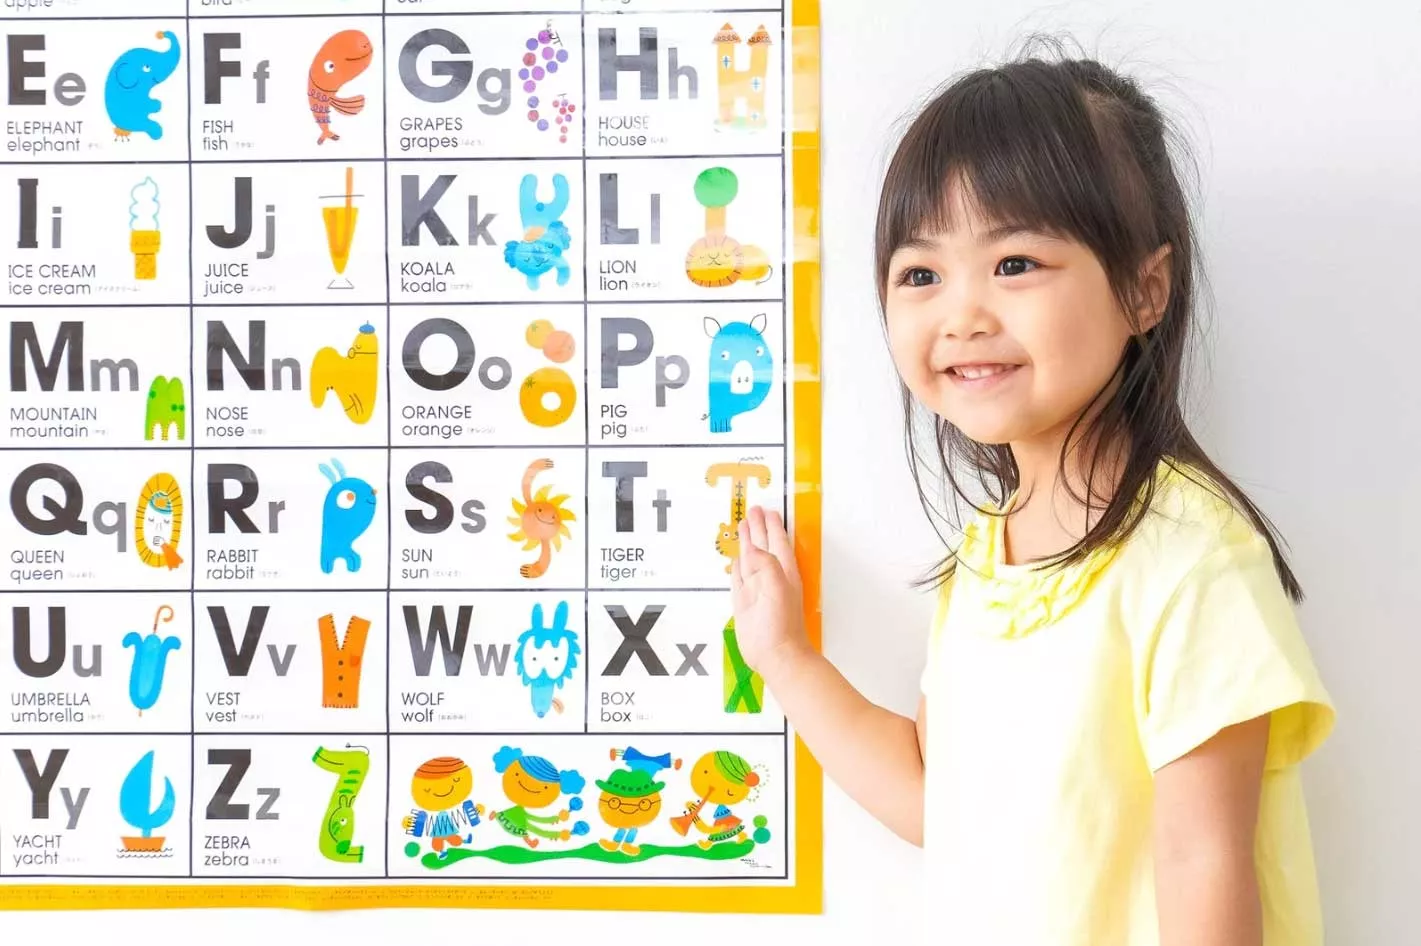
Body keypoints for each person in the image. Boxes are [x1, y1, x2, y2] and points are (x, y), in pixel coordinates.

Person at [729, 41, 1336, 946]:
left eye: (1013, 263)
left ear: (1144, 288)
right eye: (920, 274)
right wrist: (786, 660)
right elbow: (942, 805)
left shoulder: (1190, 558)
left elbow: (1202, 861)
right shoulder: (986, 556)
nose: (962, 313)